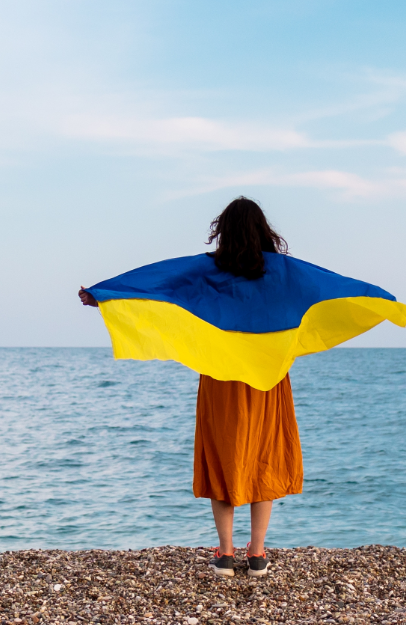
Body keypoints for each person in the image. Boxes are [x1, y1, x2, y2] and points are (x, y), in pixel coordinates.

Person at [79, 198, 305, 577]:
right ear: (263, 229)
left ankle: (227, 554)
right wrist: (377, 300)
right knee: (262, 456)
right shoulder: (280, 272)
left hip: (220, 378)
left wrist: (106, 295)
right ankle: (259, 555)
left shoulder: (208, 270)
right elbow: (325, 288)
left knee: (222, 456)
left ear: (224, 230)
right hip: (267, 377)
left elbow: (157, 283)